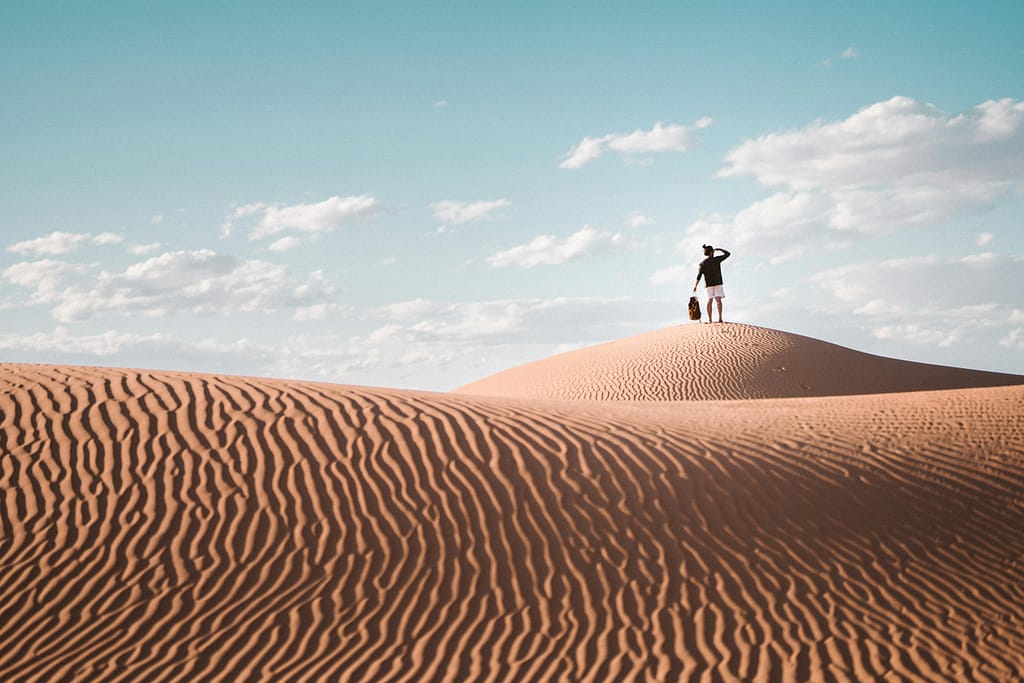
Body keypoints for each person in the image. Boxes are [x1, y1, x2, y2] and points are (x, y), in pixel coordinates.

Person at [693, 244, 730, 323]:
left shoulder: (702, 263)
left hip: (708, 285)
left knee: (710, 301)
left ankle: (710, 320)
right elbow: (728, 254)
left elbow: (699, 276)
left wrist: (695, 286)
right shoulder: (716, 260)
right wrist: (720, 249)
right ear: (712, 252)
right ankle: (720, 318)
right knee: (718, 301)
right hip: (717, 283)